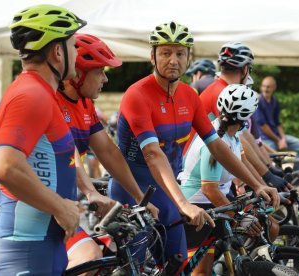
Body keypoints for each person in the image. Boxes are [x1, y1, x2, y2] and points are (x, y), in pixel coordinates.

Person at [109, 21, 279, 264]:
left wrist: (257, 184)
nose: (173, 60)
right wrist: (183, 204)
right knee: (131, 266)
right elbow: (152, 154)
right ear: (152, 56)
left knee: (177, 263)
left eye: (180, 53)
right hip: (133, 191)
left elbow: (217, 145)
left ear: (188, 57)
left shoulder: (189, 96)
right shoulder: (138, 94)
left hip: (166, 193)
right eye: (165, 53)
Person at [0, 4, 87, 275]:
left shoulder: (40, 92)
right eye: (73, 46)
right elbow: (4, 167)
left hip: (38, 247)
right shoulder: (31, 95)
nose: (77, 54)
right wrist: (60, 207)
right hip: (25, 250)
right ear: (57, 51)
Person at [56, 33, 158, 271]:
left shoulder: (85, 104)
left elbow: (108, 152)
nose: (104, 79)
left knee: (98, 258)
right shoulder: (53, 102)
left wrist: (139, 196)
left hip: (64, 207)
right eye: (99, 71)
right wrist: (91, 192)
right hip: (42, 206)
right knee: (90, 257)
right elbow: (67, 153)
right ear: (79, 74)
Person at [180, 84, 262, 275]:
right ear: (247, 117)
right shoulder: (218, 139)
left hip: (214, 205)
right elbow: (210, 190)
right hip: (198, 206)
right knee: (201, 272)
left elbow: (241, 161)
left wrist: (262, 186)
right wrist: (239, 218)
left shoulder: (233, 133)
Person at [197, 42, 289, 192]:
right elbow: (243, 144)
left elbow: (246, 135)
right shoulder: (225, 93)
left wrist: (268, 168)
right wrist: (266, 176)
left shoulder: (224, 89)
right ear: (245, 69)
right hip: (205, 174)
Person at [254, 76, 299, 171]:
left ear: (274, 87)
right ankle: (271, 179)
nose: (265, 89)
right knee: (272, 156)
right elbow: (263, 126)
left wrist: (283, 138)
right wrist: (278, 140)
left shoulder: (274, 101)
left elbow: (278, 123)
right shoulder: (258, 101)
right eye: (263, 86)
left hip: (276, 137)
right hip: (264, 139)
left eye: (268, 87)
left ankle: (294, 176)